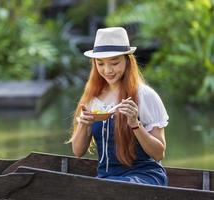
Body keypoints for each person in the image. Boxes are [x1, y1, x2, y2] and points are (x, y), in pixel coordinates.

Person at [69, 27, 169, 186]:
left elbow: (158, 154)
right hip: (106, 180)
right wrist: (84, 125)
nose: (107, 70)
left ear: (127, 61)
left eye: (114, 63)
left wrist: (135, 124)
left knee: (116, 190)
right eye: (100, 64)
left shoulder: (145, 95)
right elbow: (78, 151)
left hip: (144, 176)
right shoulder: (92, 98)